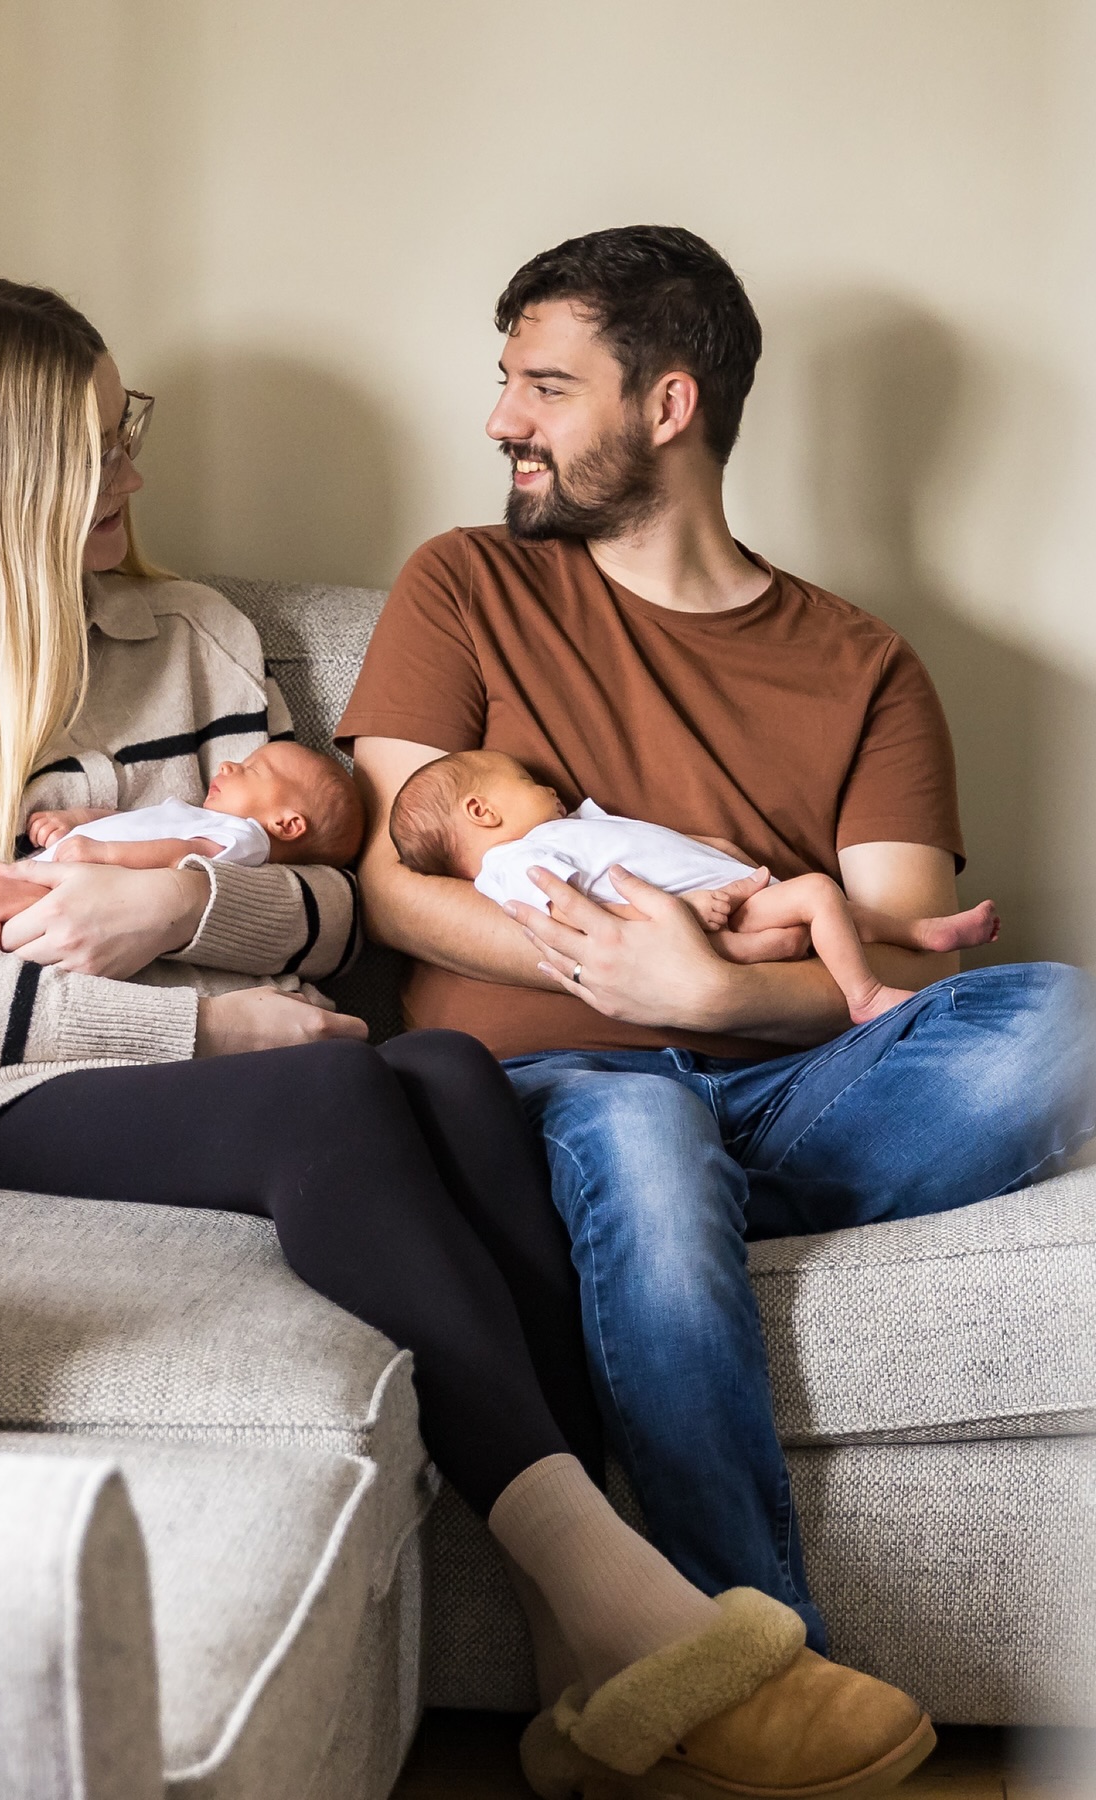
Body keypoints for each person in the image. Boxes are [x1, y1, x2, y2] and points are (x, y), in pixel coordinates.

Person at [0, 276, 936, 1800]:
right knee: (328, 1095)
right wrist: (213, 1023)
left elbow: (330, 913)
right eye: (97, 448)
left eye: (128, 434)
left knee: (437, 1071)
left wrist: (175, 911)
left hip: (235, 1042)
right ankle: (622, 1613)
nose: (135, 474)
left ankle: (586, 1677)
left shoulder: (192, 634)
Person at [340, 227, 1095, 1670]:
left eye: (547, 387)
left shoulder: (862, 665)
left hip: (779, 1090)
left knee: (1059, 1015)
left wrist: (719, 991)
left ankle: (662, 1242)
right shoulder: (464, 584)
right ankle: (756, 1678)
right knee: (645, 1130)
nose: (503, 418)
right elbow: (394, 890)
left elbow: (914, 968)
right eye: (508, 380)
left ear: (667, 406)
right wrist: (598, 973)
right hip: (558, 1095)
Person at [390, 748, 1001, 1026]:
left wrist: (711, 851)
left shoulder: (561, 832)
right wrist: (685, 908)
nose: (546, 787)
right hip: (696, 924)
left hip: (725, 899)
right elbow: (585, 915)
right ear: (480, 811)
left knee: (821, 914)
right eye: (523, 780)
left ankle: (923, 930)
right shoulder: (512, 863)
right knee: (818, 894)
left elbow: (642, 850)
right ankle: (863, 996)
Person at [0, 739, 363, 947]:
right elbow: (133, 823)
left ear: (287, 824)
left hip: (80, 890)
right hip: (67, 871)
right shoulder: (205, 819)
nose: (228, 764)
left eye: (253, 769)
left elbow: (183, 856)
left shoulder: (245, 838)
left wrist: (102, 852)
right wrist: (76, 821)